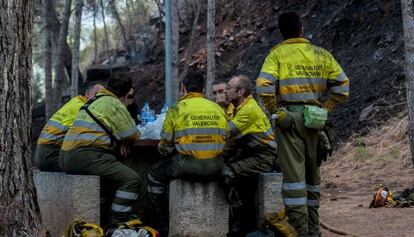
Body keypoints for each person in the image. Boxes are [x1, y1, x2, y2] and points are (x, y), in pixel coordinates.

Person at [256, 11, 350, 237]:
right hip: (314, 120)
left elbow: (263, 86)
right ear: (301, 29)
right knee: (312, 178)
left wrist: (275, 111)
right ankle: (314, 229)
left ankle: (300, 231)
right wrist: (324, 109)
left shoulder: (276, 55)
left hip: (289, 120)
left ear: (281, 33)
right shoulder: (322, 54)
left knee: (294, 182)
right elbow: (343, 88)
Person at [146, 70, 228, 237]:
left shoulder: (177, 109)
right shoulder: (217, 109)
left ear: (183, 88)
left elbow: (165, 144)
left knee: (154, 174)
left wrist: (166, 150)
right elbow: (226, 138)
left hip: (187, 167)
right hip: (216, 166)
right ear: (203, 89)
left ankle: (162, 221)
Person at [60, 72, 141, 224]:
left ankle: (104, 219)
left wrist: (121, 140)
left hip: (67, 156)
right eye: (128, 98)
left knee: (109, 181)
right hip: (85, 155)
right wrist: (124, 140)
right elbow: (133, 133)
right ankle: (117, 222)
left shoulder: (94, 100)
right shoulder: (114, 103)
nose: (130, 103)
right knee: (132, 179)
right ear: (124, 95)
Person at [222, 75, 277, 237]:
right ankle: (243, 224)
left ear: (240, 92)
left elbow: (224, 132)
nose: (226, 91)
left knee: (227, 173)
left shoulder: (249, 110)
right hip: (251, 153)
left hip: (264, 156)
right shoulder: (239, 107)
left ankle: (240, 224)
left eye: (229, 88)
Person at [35, 82, 104, 171]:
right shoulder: (83, 108)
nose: (99, 99)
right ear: (87, 94)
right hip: (50, 154)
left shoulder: (75, 101)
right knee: (99, 164)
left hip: (43, 153)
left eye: (102, 97)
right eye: (96, 95)